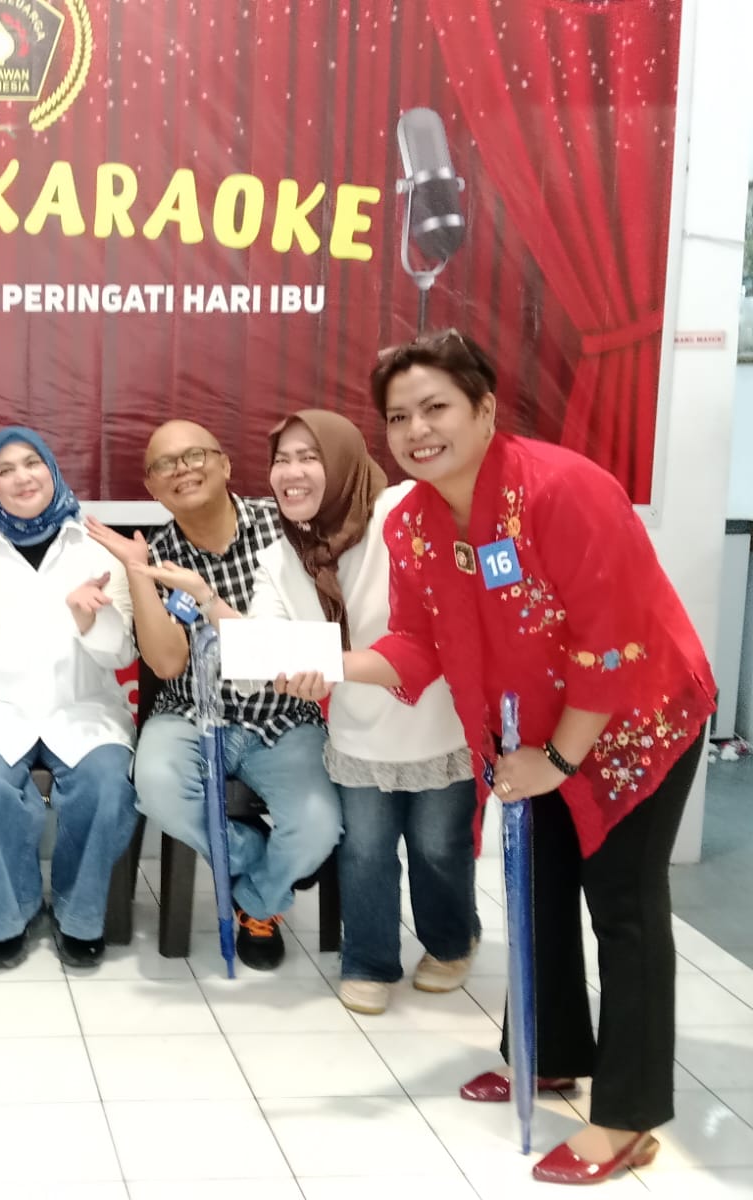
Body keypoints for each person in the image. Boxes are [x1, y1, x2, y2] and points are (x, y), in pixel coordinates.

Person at [283, 330, 713, 1185]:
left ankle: (626, 1117)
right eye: (398, 416)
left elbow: (611, 647)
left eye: (435, 408)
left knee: (624, 910)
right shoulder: (410, 523)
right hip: (529, 738)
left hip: (634, 721)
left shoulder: (564, 490)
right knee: (537, 893)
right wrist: (331, 662)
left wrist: (561, 758)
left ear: (485, 409)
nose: (417, 431)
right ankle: (548, 1057)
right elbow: (416, 643)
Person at [241, 410, 477, 1014]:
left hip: (438, 719)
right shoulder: (281, 556)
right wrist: (274, 660)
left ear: (345, 462)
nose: (291, 473)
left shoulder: (400, 512)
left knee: (438, 846)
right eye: (281, 460)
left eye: (309, 457)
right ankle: (369, 961)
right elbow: (265, 636)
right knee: (365, 851)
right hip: (358, 733)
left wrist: (326, 663)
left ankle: (451, 943)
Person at [87, 420, 342, 971]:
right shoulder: (154, 554)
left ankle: (255, 899)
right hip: (189, 713)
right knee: (155, 787)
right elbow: (167, 664)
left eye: (195, 456)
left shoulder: (284, 527)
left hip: (284, 716)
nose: (182, 470)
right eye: (165, 465)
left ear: (226, 464)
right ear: (152, 488)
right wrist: (138, 574)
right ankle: (255, 859)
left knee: (318, 826)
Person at [0, 428, 138, 969]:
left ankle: (79, 915)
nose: (22, 477)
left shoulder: (94, 547)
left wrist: (88, 618)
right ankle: (11, 912)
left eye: (32, 463)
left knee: (107, 785)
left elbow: (119, 653)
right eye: (5, 469)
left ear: (53, 469)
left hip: (82, 708)